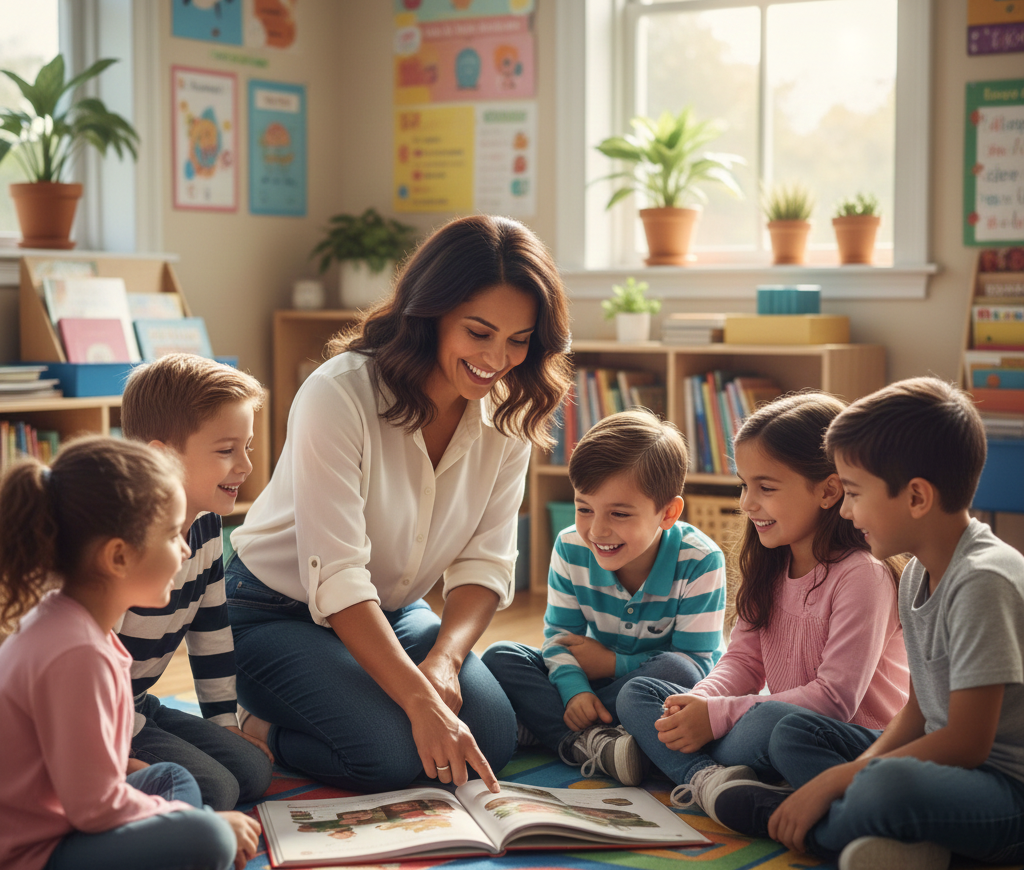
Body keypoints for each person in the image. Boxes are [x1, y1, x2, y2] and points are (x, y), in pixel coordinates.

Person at [226, 214, 572, 793]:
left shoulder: (508, 414)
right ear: (430, 314)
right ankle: (261, 727)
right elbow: (338, 576)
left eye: (519, 340)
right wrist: (419, 702)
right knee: (387, 751)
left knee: (490, 733)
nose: (498, 359)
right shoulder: (338, 394)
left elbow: (485, 563)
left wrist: (445, 661)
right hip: (271, 611)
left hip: (391, 610)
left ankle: (359, 701)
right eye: (479, 332)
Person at [711, 378, 1024, 870]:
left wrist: (837, 781)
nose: (846, 511)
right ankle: (881, 834)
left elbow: (967, 742)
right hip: (941, 766)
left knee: (883, 785)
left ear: (916, 497)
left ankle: (787, 818)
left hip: (1006, 791)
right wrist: (852, 771)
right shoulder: (919, 573)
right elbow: (919, 711)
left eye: (855, 494)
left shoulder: (983, 581)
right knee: (792, 732)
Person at [0, 437, 260, 870]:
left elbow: (73, 761)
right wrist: (197, 824)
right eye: (172, 534)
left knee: (169, 777)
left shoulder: (73, 625)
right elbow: (95, 806)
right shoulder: (77, 653)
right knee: (209, 839)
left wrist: (136, 785)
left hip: (60, 823)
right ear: (118, 557)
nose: (186, 549)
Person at [617, 392, 909, 814]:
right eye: (744, 485)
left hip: (834, 739)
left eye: (765, 488)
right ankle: (707, 778)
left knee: (771, 723)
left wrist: (715, 718)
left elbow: (835, 700)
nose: (746, 503)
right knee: (638, 693)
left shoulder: (863, 575)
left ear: (829, 490)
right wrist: (698, 705)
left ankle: (673, 761)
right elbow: (743, 662)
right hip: (772, 723)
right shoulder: (771, 562)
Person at [483, 410, 726, 786]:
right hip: (594, 684)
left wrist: (613, 663)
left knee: (679, 670)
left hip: (652, 692)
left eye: (619, 513)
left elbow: (698, 662)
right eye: (584, 508)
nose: (597, 530)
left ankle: (554, 730)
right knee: (501, 656)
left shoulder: (700, 560)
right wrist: (575, 691)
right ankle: (593, 742)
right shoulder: (570, 546)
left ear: (668, 513)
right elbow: (560, 639)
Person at [117, 354, 273, 811]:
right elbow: (78, 673)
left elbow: (211, 630)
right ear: (161, 456)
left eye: (247, 447)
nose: (245, 465)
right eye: (226, 451)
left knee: (253, 772)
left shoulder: (206, 526)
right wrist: (114, 754)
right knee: (217, 791)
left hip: (137, 703)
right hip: (91, 715)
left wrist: (223, 721)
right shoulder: (121, 540)